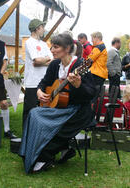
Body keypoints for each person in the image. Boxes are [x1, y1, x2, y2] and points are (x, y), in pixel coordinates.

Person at [19, 34, 96, 174]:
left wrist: (78, 85)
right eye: (52, 46)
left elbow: (91, 93)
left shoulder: (80, 65)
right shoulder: (55, 64)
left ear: (67, 49)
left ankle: (44, 157)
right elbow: (44, 82)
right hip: (60, 108)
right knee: (34, 113)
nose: (52, 50)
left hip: (79, 111)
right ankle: (34, 151)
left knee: (45, 121)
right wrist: (39, 91)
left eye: (56, 47)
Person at [22, 18, 53, 128]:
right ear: (36, 29)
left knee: (42, 110)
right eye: (42, 28)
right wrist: (43, 60)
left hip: (43, 82)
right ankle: (26, 134)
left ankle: (37, 134)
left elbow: (52, 59)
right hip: (32, 82)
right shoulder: (29, 42)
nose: (44, 30)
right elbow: (37, 60)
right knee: (29, 111)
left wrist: (41, 61)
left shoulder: (44, 44)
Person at [88, 31, 108, 101]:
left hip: (96, 73)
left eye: (92, 38)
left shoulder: (98, 48)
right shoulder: (103, 47)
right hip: (101, 73)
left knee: (92, 94)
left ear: (97, 38)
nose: (91, 40)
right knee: (96, 94)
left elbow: (90, 59)